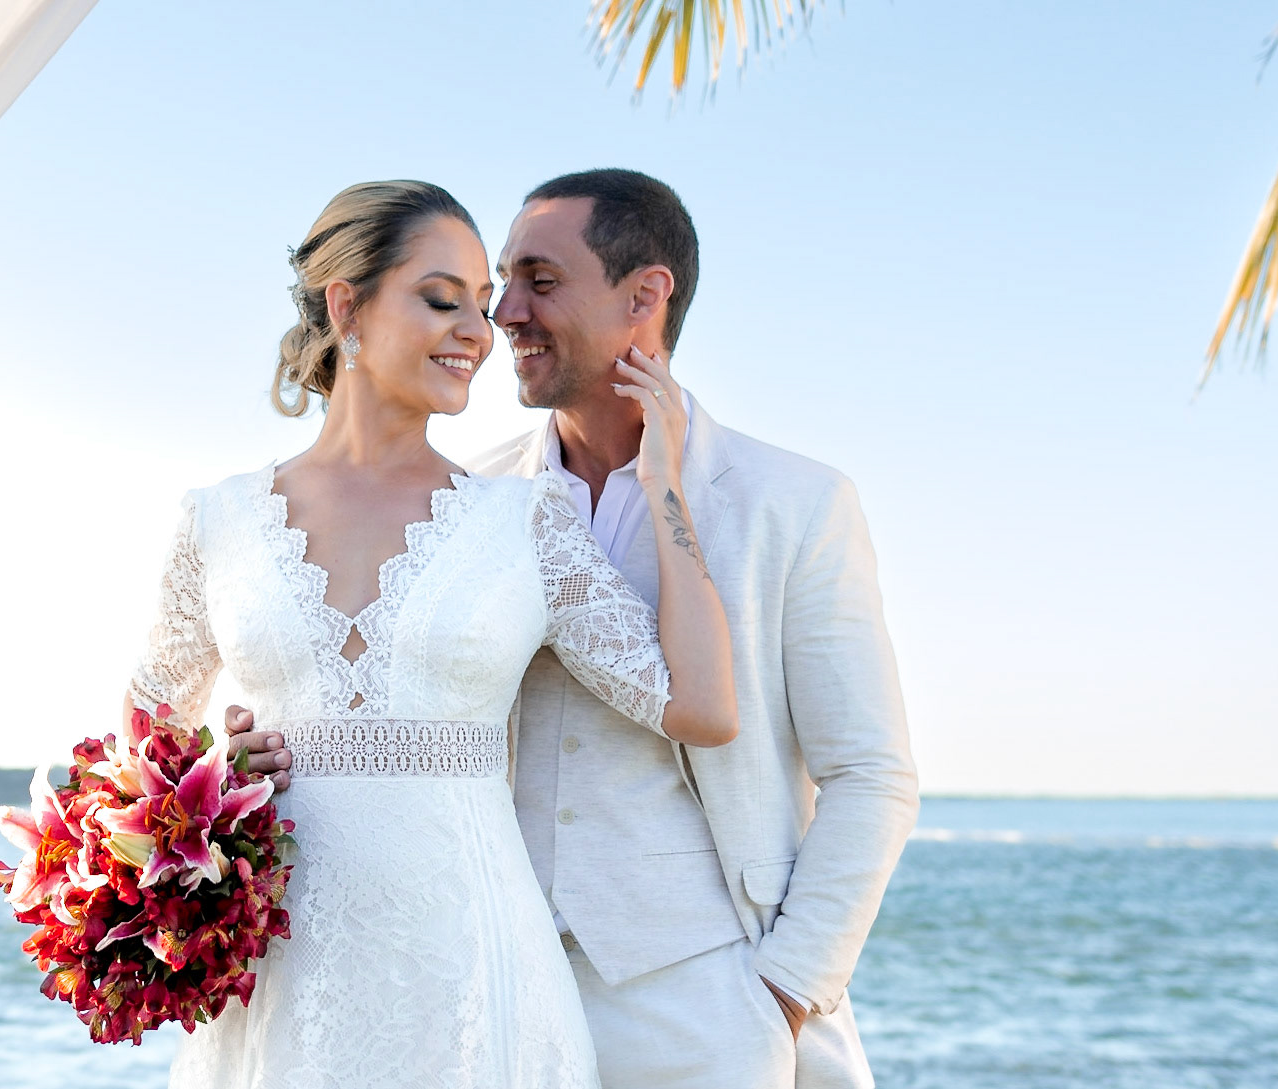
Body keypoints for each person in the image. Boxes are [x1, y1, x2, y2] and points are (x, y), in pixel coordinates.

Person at [232, 169, 920, 1088]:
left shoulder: (793, 504)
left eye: (537, 281)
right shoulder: (471, 499)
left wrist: (785, 993)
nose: (503, 314)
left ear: (645, 295)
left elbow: (871, 774)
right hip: (483, 989)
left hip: (701, 1001)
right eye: (495, 286)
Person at [131, 179, 739, 1088]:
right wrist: (220, 776)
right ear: (348, 306)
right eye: (440, 299)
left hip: (476, 990)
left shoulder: (524, 521)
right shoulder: (216, 521)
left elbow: (700, 706)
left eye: (481, 308)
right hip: (280, 988)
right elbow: (143, 743)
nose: (479, 331)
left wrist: (667, 483)